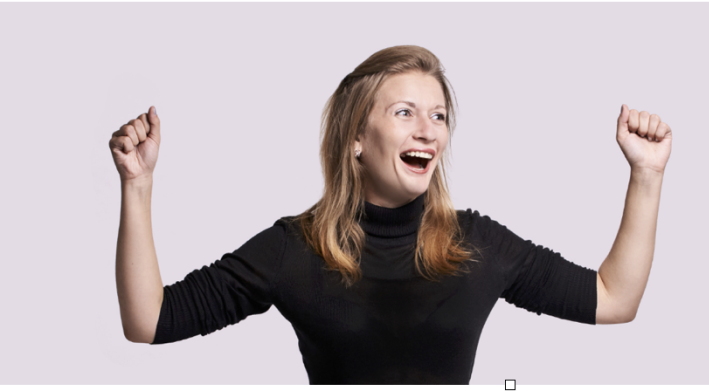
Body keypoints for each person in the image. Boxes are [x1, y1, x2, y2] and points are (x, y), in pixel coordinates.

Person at [109, 45, 672, 384]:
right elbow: (150, 322)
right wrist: (138, 184)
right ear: (357, 136)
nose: (428, 129)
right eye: (405, 112)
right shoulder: (294, 248)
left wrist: (646, 175)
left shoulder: (477, 243)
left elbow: (613, 299)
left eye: (438, 115)